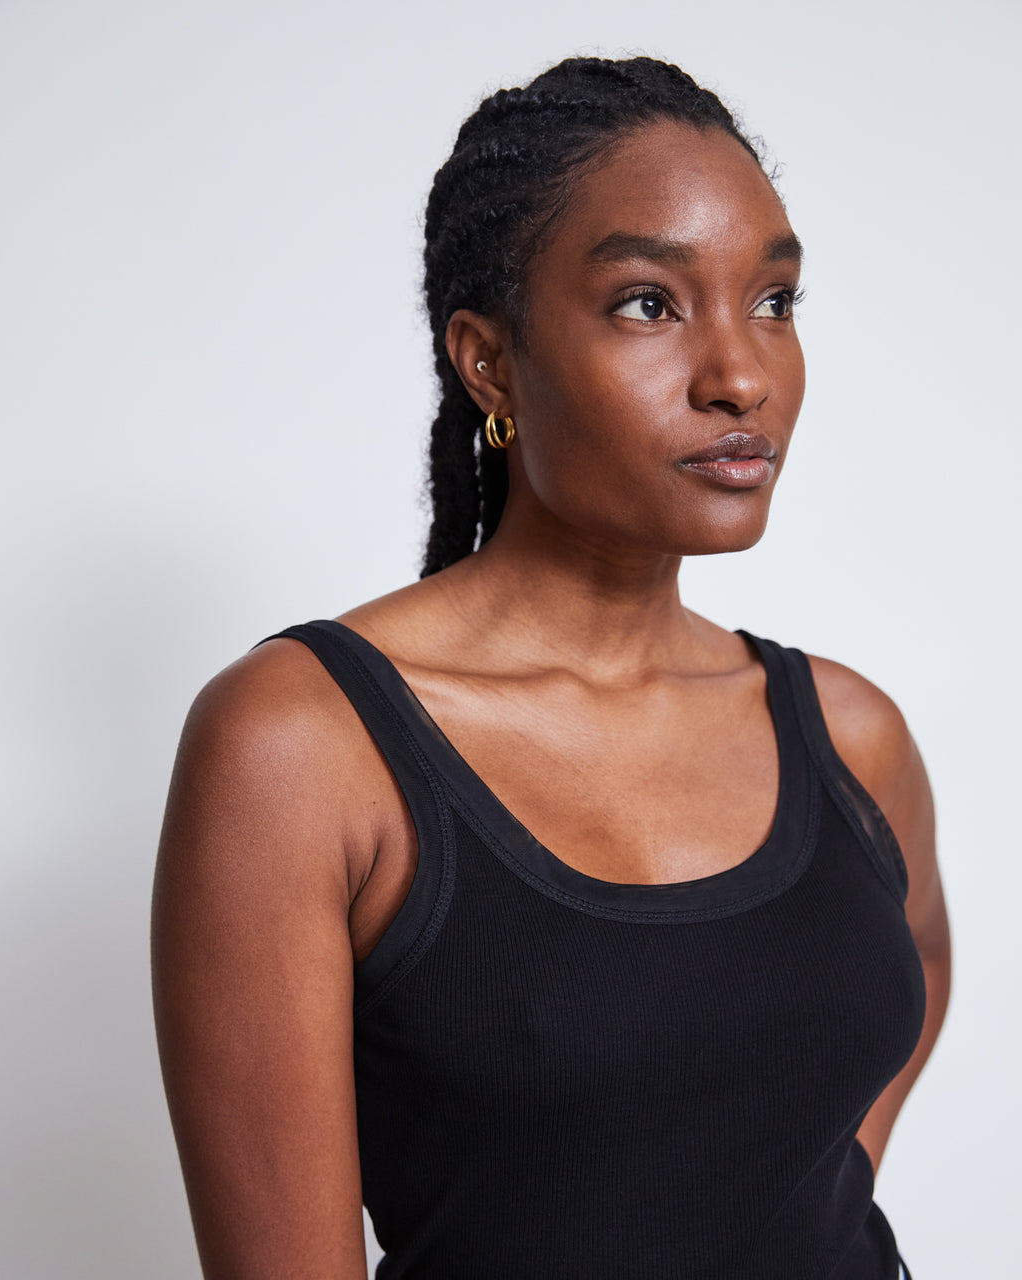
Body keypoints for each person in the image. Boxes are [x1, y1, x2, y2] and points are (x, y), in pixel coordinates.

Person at [152, 56, 951, 1280]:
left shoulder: (848, 734)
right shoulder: (305, 744)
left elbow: (915, 974)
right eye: (648, 302)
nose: (740, 374)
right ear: (488, 361)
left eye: (776, 301)